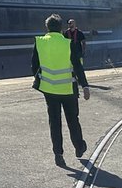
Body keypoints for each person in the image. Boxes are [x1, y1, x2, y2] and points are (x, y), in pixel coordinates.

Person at [32, 13, 90, 166]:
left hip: (49, 90)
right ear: (60, 28)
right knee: (73, 120)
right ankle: (79, 147)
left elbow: (34, 66)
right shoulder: (68, 43)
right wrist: (85, 85)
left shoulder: (39, 42)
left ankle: (58, 154)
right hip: (68, 89)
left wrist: (42, 80)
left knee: (54, 122)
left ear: (47, 27)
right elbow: (77, 66)